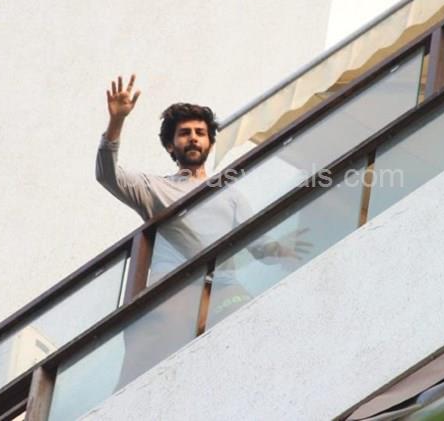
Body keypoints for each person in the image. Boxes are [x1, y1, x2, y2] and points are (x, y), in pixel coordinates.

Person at [96, 74, 309, 390]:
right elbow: (107, 175)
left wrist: (282, 250)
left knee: (253, 338)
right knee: (149, 370)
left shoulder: (230, 195)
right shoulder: (155, 188)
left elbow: (257, 245)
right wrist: (117, 121)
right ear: (171, 145)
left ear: (209, 142)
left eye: (200, 133)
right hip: (174, 288)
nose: (193, 138)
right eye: (184, 133)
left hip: (222, 286)